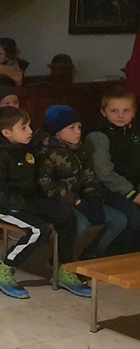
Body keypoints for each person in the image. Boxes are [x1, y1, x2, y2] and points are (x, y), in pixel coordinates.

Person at [0, 106, 81, 300]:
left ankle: (64, 269)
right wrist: (26, 205)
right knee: (39, 230)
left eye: (29, 126)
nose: (30, 131)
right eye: (23, 128)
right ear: (7, 133)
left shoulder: (24, 149)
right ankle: (4, 269)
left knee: (66, 214)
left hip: (21, 201)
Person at [35, 105, 127, 277]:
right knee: (81, 223)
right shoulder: (44, 152)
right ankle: (60, 259)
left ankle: (90, 256)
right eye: (71, 128)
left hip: (81, 199)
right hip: (60, 203)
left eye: (79, 127)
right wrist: (79, 203)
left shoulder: (79, 148)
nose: (78, 132)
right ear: (57, 131)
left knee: (119, 219)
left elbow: (88, 176)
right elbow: (47, 186)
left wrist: (93, 198)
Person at [84, 88, 140, 258]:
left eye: (126, 110)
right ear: (104, 112)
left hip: (133, 187)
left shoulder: (135, 132)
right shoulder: (99, 135)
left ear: (134, 112)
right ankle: (96, 256)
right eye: (114, 111)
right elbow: (104, 173)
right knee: (133, 218)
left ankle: (131, 258)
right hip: (106, 189)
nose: (121, 115)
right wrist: (132, 194)